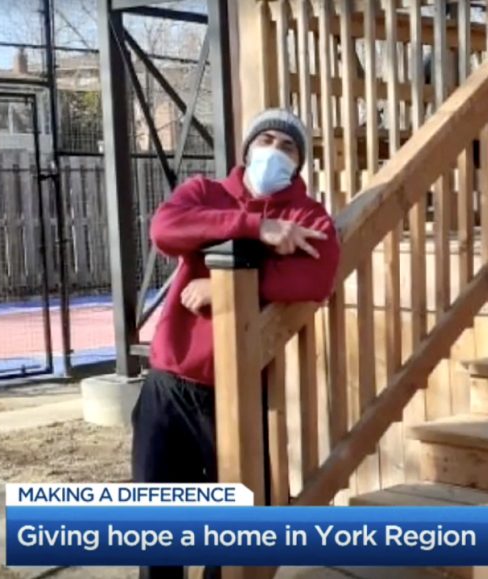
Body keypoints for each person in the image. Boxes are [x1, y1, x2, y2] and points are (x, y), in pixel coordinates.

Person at [131, 108, 341, 579]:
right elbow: (165, 230)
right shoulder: (204, 193)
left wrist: (226, 290)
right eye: (266, 140)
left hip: (241, 391)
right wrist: (254, 229)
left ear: (300, 162)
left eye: (288, 147)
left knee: (236, 530)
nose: (275, 152)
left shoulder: (307, 215)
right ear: (247, 150)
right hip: (168, 386)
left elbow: (317, 275)